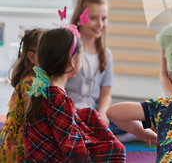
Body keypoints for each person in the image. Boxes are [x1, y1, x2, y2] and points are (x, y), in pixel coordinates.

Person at [24, 27, 125, 162]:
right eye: (81, 58)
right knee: (117, 149)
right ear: (72, 62)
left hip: (40, 157)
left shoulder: (42, 89)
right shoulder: (59, 99)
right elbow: (73, 150)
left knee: (90, 115)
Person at [66, 0, 114, 128]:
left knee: (133, 123)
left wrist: (103, 114)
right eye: (93, 18)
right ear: (79, 18)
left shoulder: (106, 55)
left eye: (104, 18)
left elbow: (106, 93)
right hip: (69, 114)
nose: (100, 24)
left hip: (93, 115)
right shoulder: (67, 49)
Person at [0, 29, 43, 163]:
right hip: (21, 148)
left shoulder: (33, 80)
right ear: (32, 57)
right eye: (46, 53)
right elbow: (33, 118)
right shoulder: (30, 83)